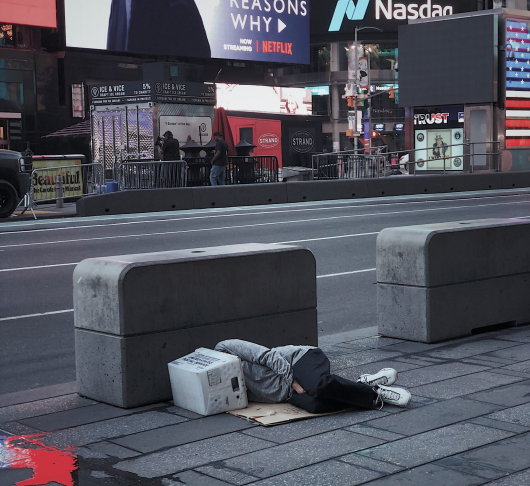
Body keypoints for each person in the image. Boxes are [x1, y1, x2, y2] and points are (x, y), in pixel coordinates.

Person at [215, 339, 411, 414]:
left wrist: (295, 383)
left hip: (299, 361)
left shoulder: (226, 347)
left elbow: (268, 356)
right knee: (315, 405)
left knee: (317, 385)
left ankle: (374, 394)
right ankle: (363, 383)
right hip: (288, 392)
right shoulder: (222, 385)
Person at [107, 0, 210, 58]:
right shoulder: (118, 2)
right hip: (127, 87)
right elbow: (113, 44)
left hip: (166, 85)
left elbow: (201, 52)